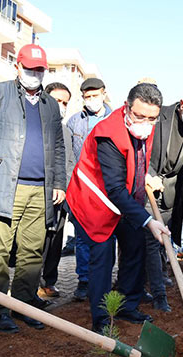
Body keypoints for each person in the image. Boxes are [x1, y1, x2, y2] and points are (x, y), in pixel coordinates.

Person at [0, 44, 66, 334]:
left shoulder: (50, 105)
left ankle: (24, 304)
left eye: (39, 70)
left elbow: (60, 147)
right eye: (29, 69)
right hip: (3, 187)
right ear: (18, 67)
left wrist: (60, 182)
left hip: (40, 190)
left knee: (32, 252)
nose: (34, 74)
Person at [66, 83, 169, 334]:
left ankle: (126, 304)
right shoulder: (108, 133)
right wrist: (148, 221)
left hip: (123, 201)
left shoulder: (146, 127)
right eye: (139, 116)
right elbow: (113, 188)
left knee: (135, 247)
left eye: (151, 118)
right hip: (93, 201)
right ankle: (101, 318)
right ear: (126, 107)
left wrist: (145, 177)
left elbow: (136, 162)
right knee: (103, 256)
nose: (145, 122)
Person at [144, 85, 183, 311]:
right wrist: (149, 175)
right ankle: (158, 294)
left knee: (164, 240)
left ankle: (156, 278)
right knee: (151, 239)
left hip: (172, 192)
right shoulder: (159, 118)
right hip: (147, 185)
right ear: (182, 104)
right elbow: (143, 149)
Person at [66, 77, 113, 301]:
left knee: (107, 237)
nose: (92, 100)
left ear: (104, 94)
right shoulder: (75, 122)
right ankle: (84, 280)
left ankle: (103, 279)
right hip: (81, 189)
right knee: (82, 237)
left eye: (95, 95)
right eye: (87, 96)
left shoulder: (115, 120)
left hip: (107, 190)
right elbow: (67, 154)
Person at [40, 82, 73, 298]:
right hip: (38, 194)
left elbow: (68, 162)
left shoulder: (66, 131)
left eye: (65, 103)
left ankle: (48, 281)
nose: (60, 105)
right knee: (35, 244)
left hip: (61, 195)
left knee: (55, 242)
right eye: (57, 100)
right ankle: (28, 284)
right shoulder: (37, 125)